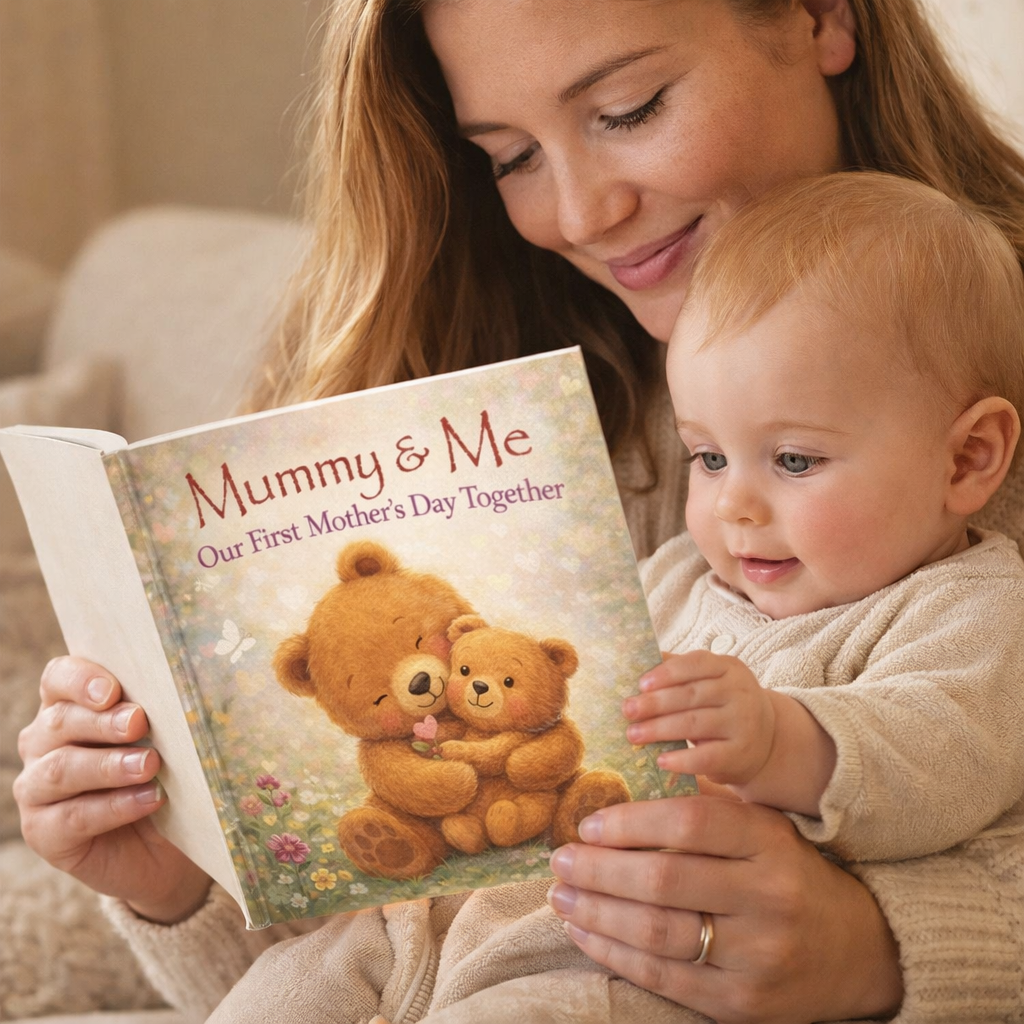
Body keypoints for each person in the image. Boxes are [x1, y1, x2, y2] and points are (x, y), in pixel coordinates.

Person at [13, 1, 1024, 1021]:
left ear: (820, 17)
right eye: (508, 157)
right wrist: (174, 878)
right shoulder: (500, 405)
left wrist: (879, 947)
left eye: (628, 108)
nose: (577, 215)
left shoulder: (956, 557)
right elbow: (406, 947)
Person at [626, 171, 1024, 866]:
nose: (733, 506)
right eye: (710, 457)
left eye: (795, 461)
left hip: (633, 951)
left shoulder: (971, 611)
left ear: (965, 460)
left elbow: (944, 763)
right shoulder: (677, 577)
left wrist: (780, 742)